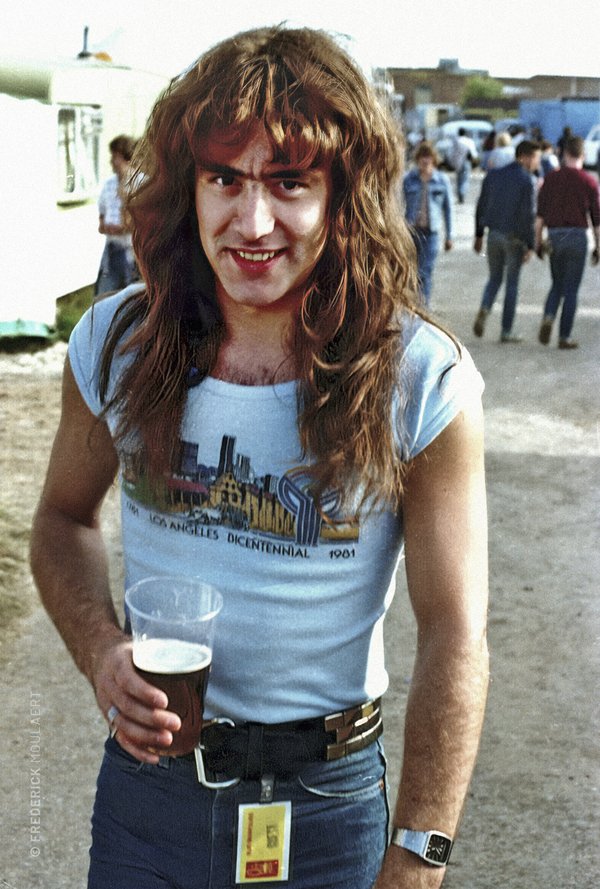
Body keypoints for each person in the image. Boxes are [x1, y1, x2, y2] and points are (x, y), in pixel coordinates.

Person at [31, 26, 489, 889]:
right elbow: (61, 519)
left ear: (341, 197)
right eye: (224, 180)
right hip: (149, 790)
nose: (252, 223)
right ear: (188, 189)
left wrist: (419, 854)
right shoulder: (117, 343)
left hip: (324, 805)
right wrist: (101, 649)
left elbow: (455, 632)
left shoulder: (420, 378)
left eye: (289, 183)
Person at [472, 140, 542, 342]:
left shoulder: (493, 175)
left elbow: (481, 205)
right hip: (515, 240)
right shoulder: (526, 180)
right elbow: (528, 215)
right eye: (536, 158)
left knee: (494, 278)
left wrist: (478, 235)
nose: (538, 163)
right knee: (512, 284)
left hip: (493, 236)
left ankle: (485, 308)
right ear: (526, 157)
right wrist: (530, 244)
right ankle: (506, 331)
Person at [535, 135, 600, 349]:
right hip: (578, 237)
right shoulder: (589, 181)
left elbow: (539, 218)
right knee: (571, 289)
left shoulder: (550, 179)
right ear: (583, 155)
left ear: (563, 154)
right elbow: (597, 221)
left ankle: (548, 315)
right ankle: (564, 337)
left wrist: (538, 243)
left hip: (555, 236)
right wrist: (598, 247)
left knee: (557, 284)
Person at [402, 141, 454, 304]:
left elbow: (448, 209)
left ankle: (424, 309)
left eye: (428, 157)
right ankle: (413, 306)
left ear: (433, 159)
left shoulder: (441, 180)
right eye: (422, 157)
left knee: (425, 272)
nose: (425, 161)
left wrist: (449, 236)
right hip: (411, 232)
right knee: (410, 272)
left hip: (431, 233)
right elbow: (399, 205)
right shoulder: (409, 179)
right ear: (417, 159)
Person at [95, 134, 138, 294]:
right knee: (104, 296)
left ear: (125, 157)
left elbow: (140, 223)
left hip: (133, 253)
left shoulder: (141, 183)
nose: (111, 161)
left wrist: (123, 227)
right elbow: (101, 221)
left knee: (132, 298)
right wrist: (106, 227)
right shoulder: (108, 185)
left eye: (115, 156)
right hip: (112, 250)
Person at [449, 127, 478, 203]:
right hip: (466, 162)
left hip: (458, 162)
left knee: (459, 179)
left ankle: (459, 194)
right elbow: (474, 154)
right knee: (465, 179)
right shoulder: (469, 141)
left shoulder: (456, 141)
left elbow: (452, 153)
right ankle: (462, 193)